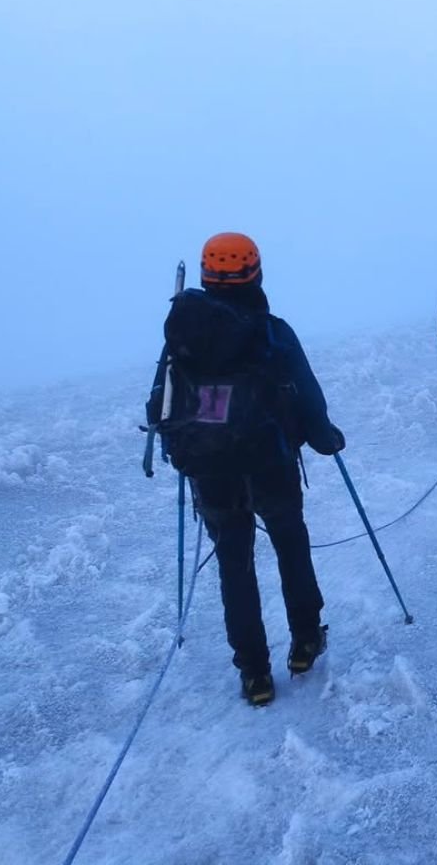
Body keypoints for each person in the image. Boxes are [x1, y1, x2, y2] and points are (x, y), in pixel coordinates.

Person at [150, 232, 344, 707]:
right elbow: (307, 392)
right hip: (269, 461)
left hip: (210, 467)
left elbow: (163, 401)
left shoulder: (183, 331)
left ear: (205, 275)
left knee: (234, 564)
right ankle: (304, 641)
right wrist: (324, 437)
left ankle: (254, 672)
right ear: (255, 272)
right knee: (291, 545)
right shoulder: (272, 331)